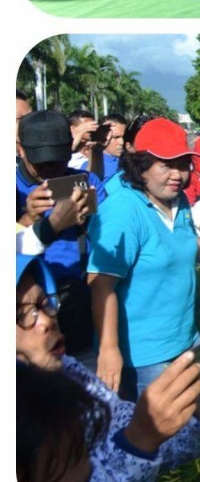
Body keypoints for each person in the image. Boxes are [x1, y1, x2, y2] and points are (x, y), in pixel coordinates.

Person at [16, 253, 200, 482]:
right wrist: (139, 440)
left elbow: (152, 444)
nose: (46, 321)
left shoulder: (70, 373)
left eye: (45, 305)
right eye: (23, 315)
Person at [86, 118, 200, 401]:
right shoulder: (122, 210)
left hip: (186, 340)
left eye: (183, 164)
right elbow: (100, 284)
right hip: (145, 358)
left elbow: (183, 245)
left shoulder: (178, 200)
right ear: (141, 166)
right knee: (159, 438)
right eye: (166, 164)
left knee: (196, 428)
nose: (177, 174)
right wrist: (109, 349)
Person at [16, 110, 104, 355]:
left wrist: (89, 220)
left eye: (58, 160)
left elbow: (109, 233)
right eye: (42, 163)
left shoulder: (86, 181)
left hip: (81, 304)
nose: (51, 170)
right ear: (21, 149)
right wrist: (27, 218)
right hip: (29, 316)